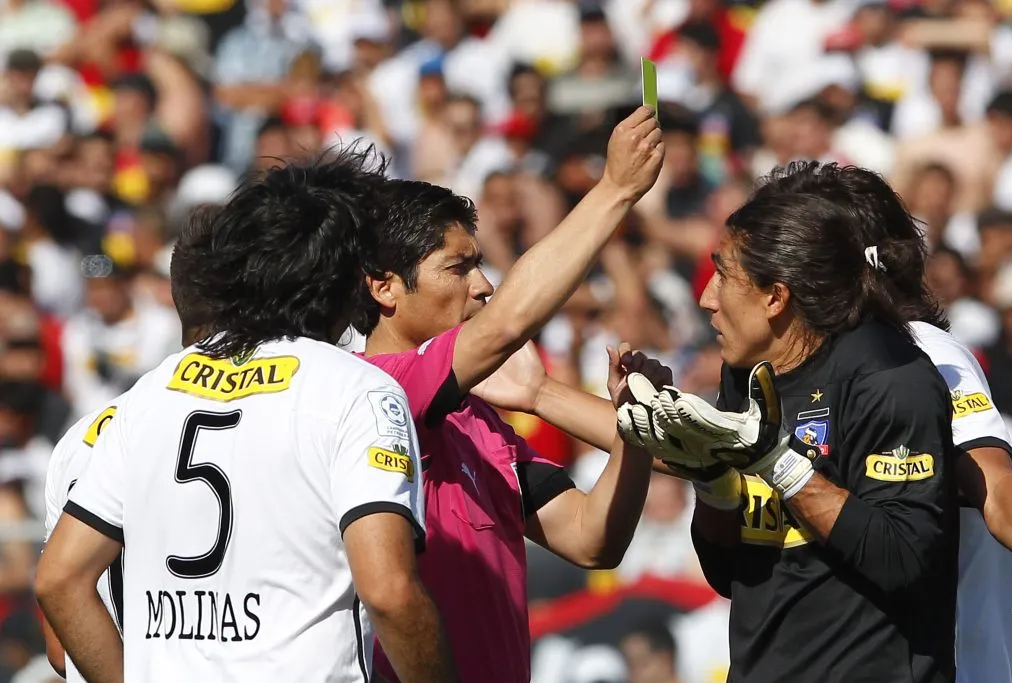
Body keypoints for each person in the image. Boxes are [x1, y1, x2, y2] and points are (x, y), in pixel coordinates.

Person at [34, 152, 456, 683]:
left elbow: (60, 580)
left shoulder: (151, 392)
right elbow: (390, 592)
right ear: (349, 280)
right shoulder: (358, 389)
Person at [354, 105, 666, 683]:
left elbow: (591, 539)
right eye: (458, 268)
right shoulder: (371, 390)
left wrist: (629, 427)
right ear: (384, 287)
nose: (483, 285)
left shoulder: (475, 418)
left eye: (479, 264)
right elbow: (506, 323)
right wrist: (616, 190)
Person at [618, 162, 960, 683]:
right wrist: (710, 476)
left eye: (723, 275)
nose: (706, 297)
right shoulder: (748, 372)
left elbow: (905, 559)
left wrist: (775, 461)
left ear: (775, 296)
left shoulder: (889, 377)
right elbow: (729, 574)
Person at [752, 164, 1012, 683]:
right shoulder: (796, 368)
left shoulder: (922, 354)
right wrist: (542, 394)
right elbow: (688, 442)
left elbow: (999, 495)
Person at [38, 218, 220, 682]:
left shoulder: (154, 327)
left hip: (94, 440)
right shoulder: (80, 332)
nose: (100, 295)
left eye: (109, 283)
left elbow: (62, 647)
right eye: (92, 286)